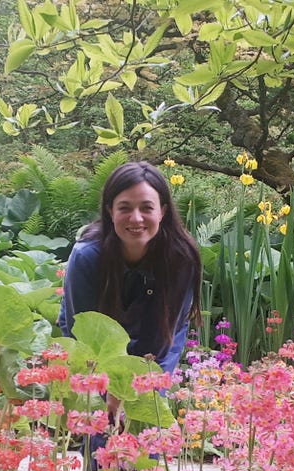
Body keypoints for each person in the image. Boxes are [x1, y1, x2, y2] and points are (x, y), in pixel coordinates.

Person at [58, 160, 202, 421]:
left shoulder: (181, 259)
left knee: (146, 421)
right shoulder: (86, 256)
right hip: (95, 348)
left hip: (160, 343)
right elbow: (85, 331)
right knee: (102, 429)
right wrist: (111, 389)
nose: (136, 218)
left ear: (163, 212)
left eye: (147, 208)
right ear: (110, 211)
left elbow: (163, 334)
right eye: (125, 208)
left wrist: (135, 387)